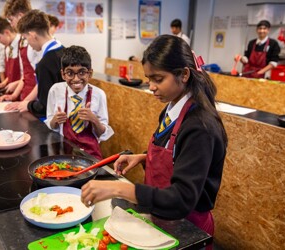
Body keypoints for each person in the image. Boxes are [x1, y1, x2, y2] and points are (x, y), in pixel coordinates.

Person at [81, 35, 228, 239]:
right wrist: (142, 157)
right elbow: (176, 153)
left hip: (188, 226)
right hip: (160, 217)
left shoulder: (200, 127)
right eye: (149, 79)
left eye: (158, 79)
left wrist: (119, 189)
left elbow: (182, 199)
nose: (151, 86)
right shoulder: (171, 109)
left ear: (184, 74)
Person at [45, 45, 114, 160]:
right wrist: (55, 121)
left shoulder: (99, 95)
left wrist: (94, 120)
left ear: (90, 73)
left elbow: (102, 133)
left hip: (90, 155)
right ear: (63, 74)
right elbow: (51, 126)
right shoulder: (55, 91)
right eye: (70, 73)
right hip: (64, 152)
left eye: (82, 72)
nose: (76, 79)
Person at [16, 10, 64, 118]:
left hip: (54, 121)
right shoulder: (64, 50)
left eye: (26, 38)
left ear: (32, 35)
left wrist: (28, 105)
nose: (28, 43)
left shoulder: (45, 63)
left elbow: (45, 106)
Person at [0, 16, 22, 93]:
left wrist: (16, 84)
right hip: (12, 92)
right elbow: (11, 73)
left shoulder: (22, 44)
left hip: (23, 92)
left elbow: (27, 74)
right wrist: (3, 83)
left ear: (7, 32)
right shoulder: (7, 48)